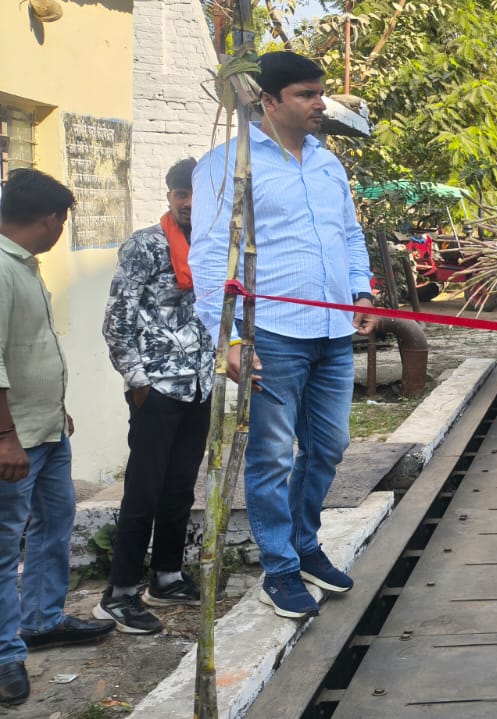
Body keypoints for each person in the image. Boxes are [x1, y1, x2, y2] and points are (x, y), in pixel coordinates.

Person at [190, 51, 376, 620]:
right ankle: (280, 567)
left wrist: (360, 293)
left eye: (320, 93)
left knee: (329, 446)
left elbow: (349, 235)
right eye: (306, 94)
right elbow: (207, 256)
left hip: (332, 330)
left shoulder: (328, 165)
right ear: (268, 101)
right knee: (271, 456)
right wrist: (229, 340)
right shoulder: (229, 163)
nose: (321, 104)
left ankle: (303, 542)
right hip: (268, 331)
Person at [0, 169, 116, 706]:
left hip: (45, 429)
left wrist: (58, 408)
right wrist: (6, 437)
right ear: (50, 219)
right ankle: (5, 656)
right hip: (14, 439)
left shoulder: (24, 266)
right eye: (62, 220)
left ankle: (42, 620)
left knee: (56, 521)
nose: (60, 229)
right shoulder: (1, 269)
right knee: (5, 548)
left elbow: (33, 348)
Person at [96, 158, 211, 635]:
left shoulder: (212, 249)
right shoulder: (146, 245)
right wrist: (138, 381)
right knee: (142, 491)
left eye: (196, 194)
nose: (187, 203)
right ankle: (119, 593)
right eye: (179, 193)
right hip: (157, 389)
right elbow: (117, 321)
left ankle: (166, 577)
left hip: (199, 386)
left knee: (181, 486)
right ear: (169, 196)